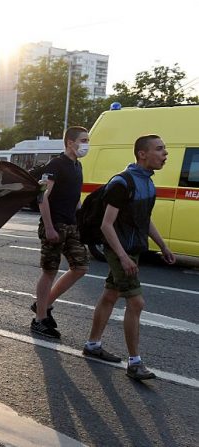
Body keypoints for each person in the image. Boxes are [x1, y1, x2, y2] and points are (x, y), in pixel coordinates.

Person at [83, 135, 175, 380]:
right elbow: (106, 225)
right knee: (136, 303)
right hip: (119, 249)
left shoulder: (148, 183)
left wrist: (163, 246)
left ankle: (92, 345)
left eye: (164, 149)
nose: (165, 153)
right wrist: (123, 257)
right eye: (159, 149)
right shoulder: (122, 183)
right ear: (142, 154)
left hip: (132, 249)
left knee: (111, 294)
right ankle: (135, 363)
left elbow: (144, 220)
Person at [29, 127, 91, 338]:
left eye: (87, 140)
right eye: (83, 140)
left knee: (80, 267)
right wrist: (48, 227)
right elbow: (42, 196)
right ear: (69, 142)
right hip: (54, 225)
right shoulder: (57, 164)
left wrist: (82, 218)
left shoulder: (77, 165)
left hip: (71, 226)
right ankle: (39, 320)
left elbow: (74, 197)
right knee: (50, 271)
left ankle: (43, 305)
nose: (86, 144)